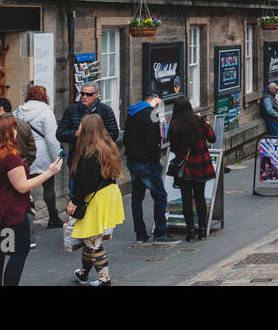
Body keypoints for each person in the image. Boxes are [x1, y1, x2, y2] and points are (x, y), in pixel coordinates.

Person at [0, 116, 62, 285]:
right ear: (6, 134)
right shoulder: (10, 158)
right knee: (19, 252)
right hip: (11, 213)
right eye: (13, 129)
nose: (16, 131)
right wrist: (49, 172)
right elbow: (22, 186)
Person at [67, 114, 125, 285]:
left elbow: (87, 183)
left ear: (87, 131)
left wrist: (74, 201)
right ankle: (84, 273)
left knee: (92, 240)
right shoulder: (107, 145)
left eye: (80, 127)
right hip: (108, 193)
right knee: (89, 236)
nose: (77, 130)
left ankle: (104, 278)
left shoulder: (90, 152)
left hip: (96, 197)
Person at [167, 96, 216, 242]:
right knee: (200, 198)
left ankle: (190, 232)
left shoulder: (175, 124)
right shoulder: (199, 121)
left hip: (185, 168)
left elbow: (173, 148)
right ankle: (202, 230)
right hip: (200, 165)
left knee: (186, 200)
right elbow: (212, 138)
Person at [15, 85, 63, 229]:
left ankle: (23, 218)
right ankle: (53, 218)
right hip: (42, 152)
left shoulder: (18, 112)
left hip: (23, 151)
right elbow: (51, 138)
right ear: (44, 97)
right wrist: (58, 157)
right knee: (48, 186)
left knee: (24, 187)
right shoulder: (46, 113)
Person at [125, 92, 170, 243]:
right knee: (160, 196)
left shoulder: (132, 113)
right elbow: (153, 142)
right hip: (147, 163)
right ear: (155, 100)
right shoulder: (151, 115)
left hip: (132, 161)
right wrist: (155, 160)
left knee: (137, 198)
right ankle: (160, 232)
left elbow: (125, 138)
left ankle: (140, 234)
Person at [57, 85, 119, 159]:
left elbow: (114, 134)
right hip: (76, 157)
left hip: (99, 157)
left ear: (96, 95)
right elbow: (60, 134)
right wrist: (75, 133)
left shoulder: (105, 110)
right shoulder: (71, 110)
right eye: (82, 94)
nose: (84, 97)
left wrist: (95, 136)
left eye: (88, 94)